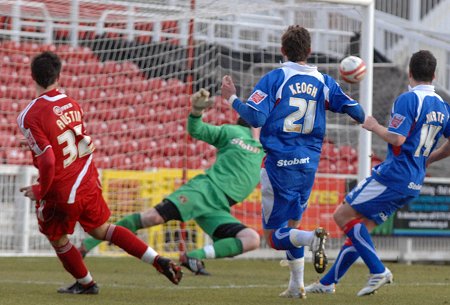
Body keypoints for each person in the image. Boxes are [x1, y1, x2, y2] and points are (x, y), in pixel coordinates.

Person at [18, 51, 182, 294]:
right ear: (59, 76)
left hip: (61, 190)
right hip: (87, 180)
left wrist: (40, 189)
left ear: (32, 76)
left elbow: (50, 161)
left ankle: (87, 283)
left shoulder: (29, 114)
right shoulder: (72, 103)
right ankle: (158, 260)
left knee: (58, 238)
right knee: (103, 230)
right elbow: (69, 139)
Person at [220, 25, 366, 298]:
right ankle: (296, 286)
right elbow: (355, 109)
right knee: (292, 228)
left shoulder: (276, 77)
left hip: (279, 165)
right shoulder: (324, 81)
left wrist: (231, 98)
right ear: (309, 52)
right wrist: (368, 122)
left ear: (282, 50)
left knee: (274, 237)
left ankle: (313, 239)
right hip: (308, 165)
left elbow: (255, 119)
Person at [305, 50, 450, 296]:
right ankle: (328, 282)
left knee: (342, 215)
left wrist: (374, 126)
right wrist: (428, 159)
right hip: (413, 180)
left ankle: (378, 270)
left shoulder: (408, 99)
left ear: (409, 72)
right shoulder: (443, 107)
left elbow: (397, 137)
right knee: (362, 227)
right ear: (435, 75)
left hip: (394, 174)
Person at [79, 88, 265, 275]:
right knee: (151, 218)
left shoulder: (265, 147)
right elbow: (197, 130)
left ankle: (192, 256)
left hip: (219, 207)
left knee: (251, 239)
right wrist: (196, 112)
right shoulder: (234, 132)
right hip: (204, 191)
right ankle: (87, 245)